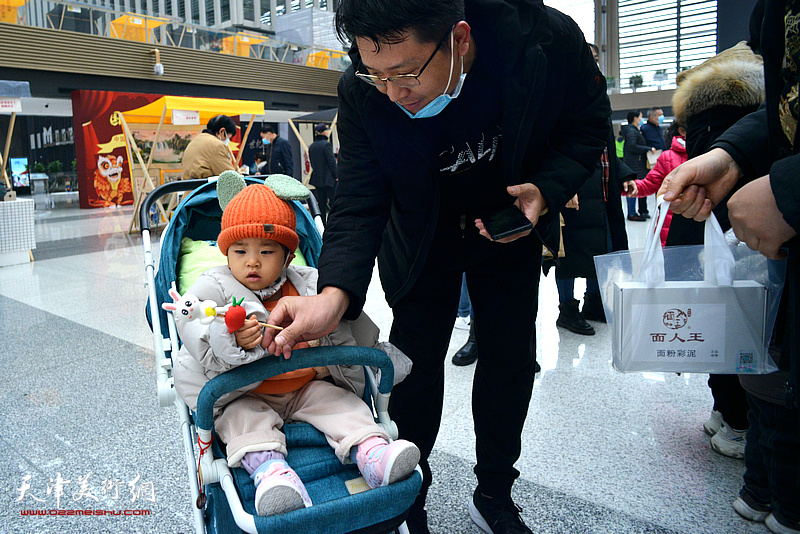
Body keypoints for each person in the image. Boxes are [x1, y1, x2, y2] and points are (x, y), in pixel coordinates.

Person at [258, 0, 611, 532]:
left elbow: (586, 124)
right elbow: (358, 198)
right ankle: (408, 495)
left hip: (506, 224)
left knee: (510, 362)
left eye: (404, 74)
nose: (392, 93)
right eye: (374, 73)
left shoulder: (540, 41)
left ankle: (494, 491)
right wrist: (332, 297)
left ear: (460, 40)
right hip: (420, 238)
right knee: (413, 370)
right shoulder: (362, 90)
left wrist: (547, 188)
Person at [170, 176, 420, 518]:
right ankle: (271, 475)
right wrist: (230, 336)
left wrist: (370, 354)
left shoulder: (309, 285)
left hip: (307, 384)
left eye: (267, 251)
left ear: (288, 257)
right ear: (225, 253)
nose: (252, 262)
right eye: (240, 251)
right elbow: (193, 322)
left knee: (341, 404)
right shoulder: (214, 287)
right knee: (243, 421)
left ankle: (373, 452)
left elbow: (345, 321)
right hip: (247, 391)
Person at [660, 1, 799, 530]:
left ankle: (759, 478)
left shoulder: (701, 107)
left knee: (750, 353)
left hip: (749, 233)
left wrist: (789, 188)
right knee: (767, 359)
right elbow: (784, 111)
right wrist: (734, 154)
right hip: (761, 237)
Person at [665, 40, 766, 460]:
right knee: (743, 325)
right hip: (744, 230)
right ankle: (738, 420)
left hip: (699, 223)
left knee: (710, 323)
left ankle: (723, 410)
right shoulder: (757, 118)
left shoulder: (700, 118)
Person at [548, 44, 633, 335]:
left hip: (604, 190)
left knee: (602, 252)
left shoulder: (598, 97)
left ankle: (594, 304)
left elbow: (607, 146)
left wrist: (624, 174)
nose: (593, 64)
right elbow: (552, 147)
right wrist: (563, 184)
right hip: (576, 191)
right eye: (590, 58)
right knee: (570, 256)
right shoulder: (560, 94)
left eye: (597, 59)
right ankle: (567, 311)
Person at [624, 121, 687, 246]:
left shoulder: (711, 154)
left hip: (704, 223)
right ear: (682, 131)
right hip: (672, 226)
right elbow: (649, 184)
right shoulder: (668, 157)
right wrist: (626, 184)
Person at [621, 111, 657, 221]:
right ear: (635, 118)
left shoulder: (635, 130)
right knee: (632, 187)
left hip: (637, 163)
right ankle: (632, 213)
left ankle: (639, 212)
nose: (641, 119)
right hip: (634, 164)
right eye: (640, 117)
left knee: (639, 186)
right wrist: (648, 149)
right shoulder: (631, 130)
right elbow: (632, 146)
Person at [181, 115, 238, 180]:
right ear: (222, 131)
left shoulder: (195, 140)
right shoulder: (217, 145)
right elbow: (230, 176)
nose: (228, 141)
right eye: (229, 137)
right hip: (205, 188)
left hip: (190, 188)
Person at [308, 123, 338, 221]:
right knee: (333, 202)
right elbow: (331, 161)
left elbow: (312, 163)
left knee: (321, 204)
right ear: (324, 132)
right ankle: (333, 222)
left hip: (317, 178)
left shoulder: (312, 146)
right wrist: (336, 175)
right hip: (328, 179)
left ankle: (322, 224)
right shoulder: (326, 144)